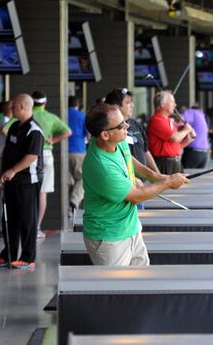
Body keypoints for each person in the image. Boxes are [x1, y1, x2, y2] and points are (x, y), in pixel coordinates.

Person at [81, 103, 189, 266]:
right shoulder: (100, 167)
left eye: (124, 121)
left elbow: (130, 160)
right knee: (116, 290)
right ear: (105, 135)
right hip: (109, 238)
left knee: (141, 285)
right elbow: (136, 197)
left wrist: (156, 176)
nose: (127, 125)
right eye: (120, 125)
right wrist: (168, 182)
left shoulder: (118, 141)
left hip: (131, 229)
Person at [0, 94, 44, 269]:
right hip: (11, 180)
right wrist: (3, 173)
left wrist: (13, 170)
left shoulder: (34, 130)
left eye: (13, 107)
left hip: (27, 181)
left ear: (22, 107)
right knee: (10, 219)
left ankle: (27, 258)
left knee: (27, 220)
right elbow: (7, 151)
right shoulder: (13, 127)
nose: (11, 109)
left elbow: (31, 157)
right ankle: (8, 255)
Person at [26, 91, 72, 239]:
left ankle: (27, 226)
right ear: (45, 103)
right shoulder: (51, 117)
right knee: (42, 192)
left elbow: (5, 129)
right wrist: (53, 140)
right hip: (46, 155)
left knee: (28, 191)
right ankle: (37, 228)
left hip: (28, 156)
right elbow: (67, 132)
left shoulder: (26, 116)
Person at [147, 91, 194, 174]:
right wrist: (186, 130)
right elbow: (174, 138)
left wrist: (188, 140)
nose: (175, 105)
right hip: (164, 162)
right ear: (162, 104)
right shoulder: (157, 120)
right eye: (172, 102)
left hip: (175, 161)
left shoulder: (169, 121)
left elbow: (175, 146)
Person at [67, 96, 88, 211]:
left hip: (63, 152)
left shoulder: (62, 115)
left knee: (67, 180)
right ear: (77, 105)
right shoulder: (82, 116)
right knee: (82, 178)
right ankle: (73, 201)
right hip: (79, 150)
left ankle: (66, 205)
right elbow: (88, 135)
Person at [0, 101, 12, 229]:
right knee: (1, 194)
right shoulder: (6, 122)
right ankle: (1, 226)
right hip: (1, 159)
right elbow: (4, 131)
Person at [181, 104, 210, 169]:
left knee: (186, 176)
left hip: (193, 152)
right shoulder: (202, 116)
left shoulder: (192, 112)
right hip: (204, 153)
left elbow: (180, 119)